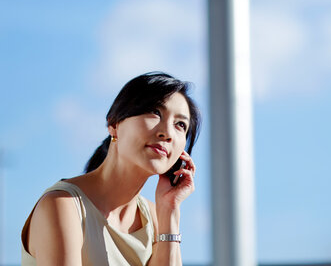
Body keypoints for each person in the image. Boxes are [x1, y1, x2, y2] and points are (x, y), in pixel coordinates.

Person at [21, 72, 201, 265]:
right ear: (114, 123)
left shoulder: (155, 218)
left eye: (180, 125)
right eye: (155, 112)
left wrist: (170, 209)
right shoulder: (64, 205)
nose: (167, 133)